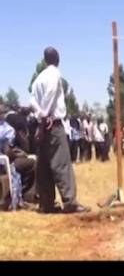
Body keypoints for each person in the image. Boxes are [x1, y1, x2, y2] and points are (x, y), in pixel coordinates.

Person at [30, 47, 90, 214]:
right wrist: (45, 116)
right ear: (57, 59)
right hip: (52, 124)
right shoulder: (55, 74)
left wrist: (39, 117)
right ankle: (70, 201)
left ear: (45, 60)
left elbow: (31, 101)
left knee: (44, 166)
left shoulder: (38, 79)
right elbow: (50, 95)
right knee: (61, 163)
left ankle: (46, 203)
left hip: (41, 126)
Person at [0, 104, 37, 208]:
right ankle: (26, 197)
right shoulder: (7, 129)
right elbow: (7, 152)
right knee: (32, 163)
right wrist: (21, 154)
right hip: (3, 163)